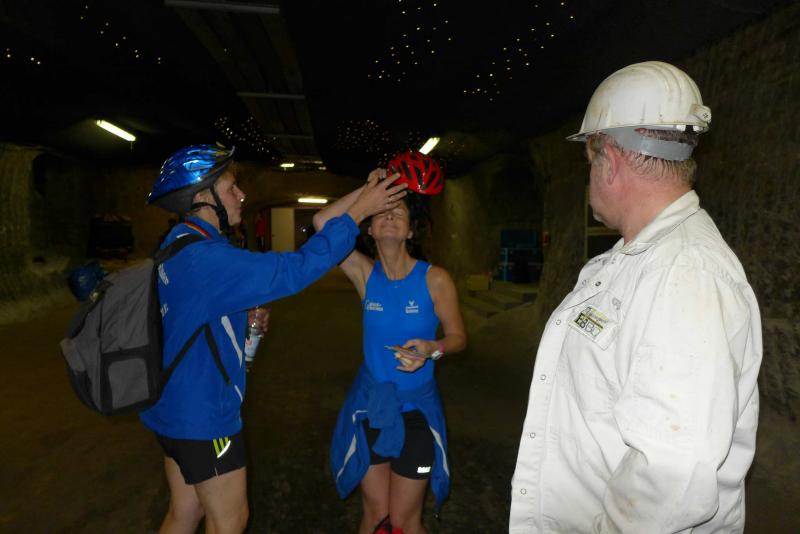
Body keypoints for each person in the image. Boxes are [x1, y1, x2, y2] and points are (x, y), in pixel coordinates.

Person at [509, 61, 762, 533]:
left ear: (609, 159)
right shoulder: (633, 262)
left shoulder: (685, 274)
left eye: (590, 160)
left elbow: (672, 478)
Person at [141, 144, 407, 534]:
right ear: (202, 198)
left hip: (170, 408)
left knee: (185, 513)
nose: (242, 195)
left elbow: (188, 313)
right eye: (231, 188)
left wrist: (236, 317)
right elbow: (295, 269)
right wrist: (358, 212)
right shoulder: (206, 258)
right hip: (204, 416)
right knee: (230, 521)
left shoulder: (177, 244)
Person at [322, 151, 466, 534]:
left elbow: (458, 337)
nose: (388, 216)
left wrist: (432, 349)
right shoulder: (364, 274)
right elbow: (323, 224)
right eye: (381, 212)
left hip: (417, 410)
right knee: (375, 514)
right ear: (369, 228)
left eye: (398, 212)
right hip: (372, 405)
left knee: (404, 519)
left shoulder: (435, 279)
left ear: (410, 231)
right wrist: (369, 191)